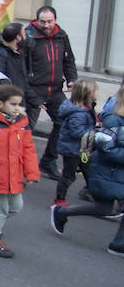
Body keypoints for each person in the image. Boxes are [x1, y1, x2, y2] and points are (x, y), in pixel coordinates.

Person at [51, 81, 124, 255]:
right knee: (102, 207)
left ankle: (119, 244)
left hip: (116, 173)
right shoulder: (114, 120)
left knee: (104, 209)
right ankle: (62, 210)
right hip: (108, 171)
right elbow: (106, 148)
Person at [0, 82, 40, 258]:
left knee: (15, 206)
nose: (17, 108)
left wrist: (32, 173)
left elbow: (28, 149)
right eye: (13, 104)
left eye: (19, 104)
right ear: (0, 103)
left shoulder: (21, 123)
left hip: (14, 175)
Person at [26, 6, 77, 179]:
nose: (46, 25)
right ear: (37, 20)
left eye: (50, 21)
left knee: (63, 122)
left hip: (55, 90)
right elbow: (21, 68)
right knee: (26, 130)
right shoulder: (28, 36)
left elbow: (69, 60)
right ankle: (21, 164)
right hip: (34, 90)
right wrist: (29, 94)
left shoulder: (61, 36)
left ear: (55, 20)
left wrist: (72, 79)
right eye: (43, 22)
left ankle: (48, 161)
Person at [52, 80, 98, 207]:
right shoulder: (78, 114)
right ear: (87, 94)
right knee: (68, 176)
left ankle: (94, 195)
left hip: (82, 151)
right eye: (95, 92)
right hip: (73, 151)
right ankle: (59, 200)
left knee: (89, 171)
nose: (97, 94)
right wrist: (94, 134)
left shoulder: (86, 109)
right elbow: (77, 132)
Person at [0, 23, 29, 91]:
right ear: (18, 37)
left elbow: (22, 82)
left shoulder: (18, 53)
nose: (26, 37)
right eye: (25, 34)